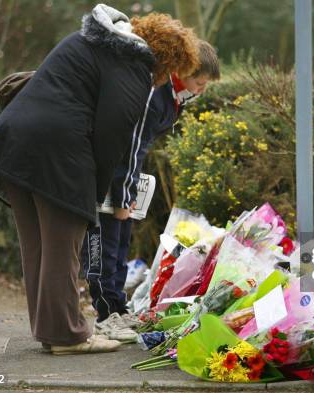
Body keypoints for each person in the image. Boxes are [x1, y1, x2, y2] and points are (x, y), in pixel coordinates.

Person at [0, 4, 199, 355]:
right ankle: (68, 336)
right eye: (172, 71)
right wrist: (95, 193)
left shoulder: (90, 42)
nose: (167, 80)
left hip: (16, 143)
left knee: (38, 248)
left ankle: (51, 330)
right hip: (59, 153)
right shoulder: (133, 67)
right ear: (166, 60)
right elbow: (112, 139)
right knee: (62, 247)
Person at [81, 40, 221, 341]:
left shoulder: (174, 97)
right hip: (107, 174)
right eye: (199, 82)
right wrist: (122, 194)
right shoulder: (154, 93)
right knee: (103, 245)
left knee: (120, 243)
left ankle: (118, 308)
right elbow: (131, 144)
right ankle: (105, 314)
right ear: (182, 71)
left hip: (127, 175)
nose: (201, 90)